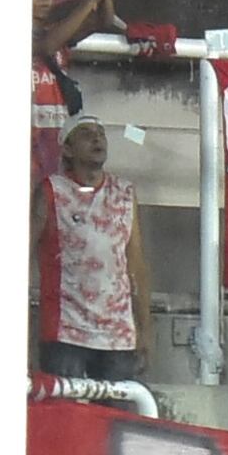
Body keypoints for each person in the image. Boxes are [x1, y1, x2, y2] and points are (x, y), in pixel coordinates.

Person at [38, 115, 150, 390]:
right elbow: (21, 253)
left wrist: (145, 328)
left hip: (118, 334)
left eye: (101, 133)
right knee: (67, 417)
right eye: (87, 134)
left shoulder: (124, 193)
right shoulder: (52, 191)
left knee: (116, 421)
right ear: (67, 149)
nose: (97, 138)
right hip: (65, 332)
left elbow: (135, 264)